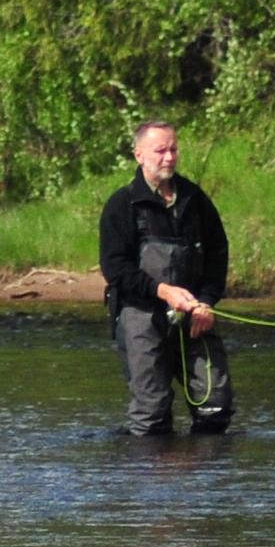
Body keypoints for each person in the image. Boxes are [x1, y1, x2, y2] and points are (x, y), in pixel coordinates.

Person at [98, 121, 233, 438]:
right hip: (140, 316)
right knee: (153, 416)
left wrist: (207, 302)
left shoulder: (195, 200)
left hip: (195, 316)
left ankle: (209, 481)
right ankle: (153, 482)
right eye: (160, 151)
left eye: (173, 149)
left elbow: (217, 254)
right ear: (139, 155)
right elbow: (115, 267)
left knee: (217, 408)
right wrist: (162, 291)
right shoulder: (122, 205)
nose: (169, 157)